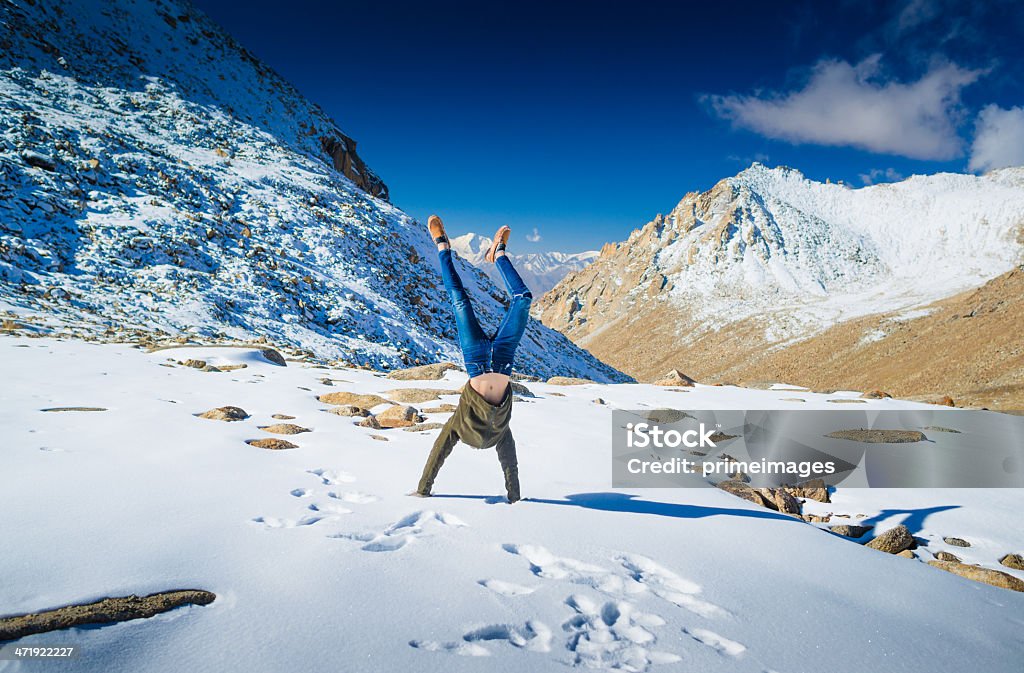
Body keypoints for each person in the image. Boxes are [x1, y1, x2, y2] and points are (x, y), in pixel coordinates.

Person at [411, 215, 532, 503]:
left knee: (459, 300)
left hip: (476, 360)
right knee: (523, 298)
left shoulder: (457, 426)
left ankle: (442, 247)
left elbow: (437, 455)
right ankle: (498, 255)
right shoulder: (502, 433)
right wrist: (514, 497)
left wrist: (423, 490)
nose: (482, 438)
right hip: (504, 360)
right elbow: (510, 467)